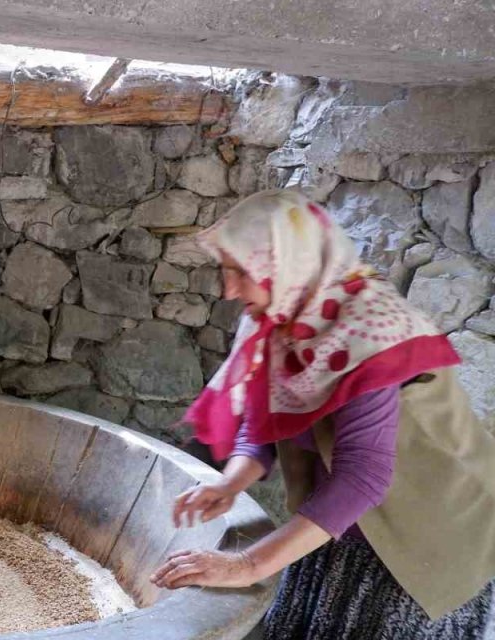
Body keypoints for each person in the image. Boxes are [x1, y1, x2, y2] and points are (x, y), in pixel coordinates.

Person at [148, 189, 495, 639]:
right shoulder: (282, 315)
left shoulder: (370, 328)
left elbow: (362, 476)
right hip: (342, 521)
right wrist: (230, 482)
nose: (229, 289)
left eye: (242, 272)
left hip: (425, 530)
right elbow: (264, 417)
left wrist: (247, 564)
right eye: (225, 270)